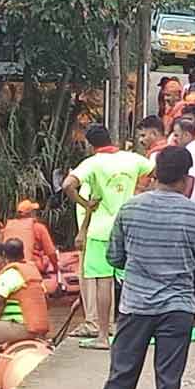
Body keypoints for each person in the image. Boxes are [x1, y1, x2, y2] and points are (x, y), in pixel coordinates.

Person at [73, 146, 195, 389]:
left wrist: (140, 268)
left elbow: (114, 257)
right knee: (168, 381)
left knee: (122, 374)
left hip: (136, 305)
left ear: (153, 176)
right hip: (178, 307)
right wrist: (181, 269)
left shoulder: (130, 210)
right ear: (187, 179)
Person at [62, 124, 155, 350]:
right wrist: (140, 192)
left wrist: (85, 204)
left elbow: (67, 185)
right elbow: (153, 171)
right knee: (132, 278)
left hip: (101, 229)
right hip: (129, 225)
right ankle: (135, 331)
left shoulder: (92, 163)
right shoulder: (132, 159)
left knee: (103, 281)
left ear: (91, 145)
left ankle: (103, 335)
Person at [2, 199, 59, 276]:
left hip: (10, 267)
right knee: (45, 260)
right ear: (31, 213)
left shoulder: (8, 227)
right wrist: (56, 268)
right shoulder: (39, 228)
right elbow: (51, 252)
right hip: (32, 267)